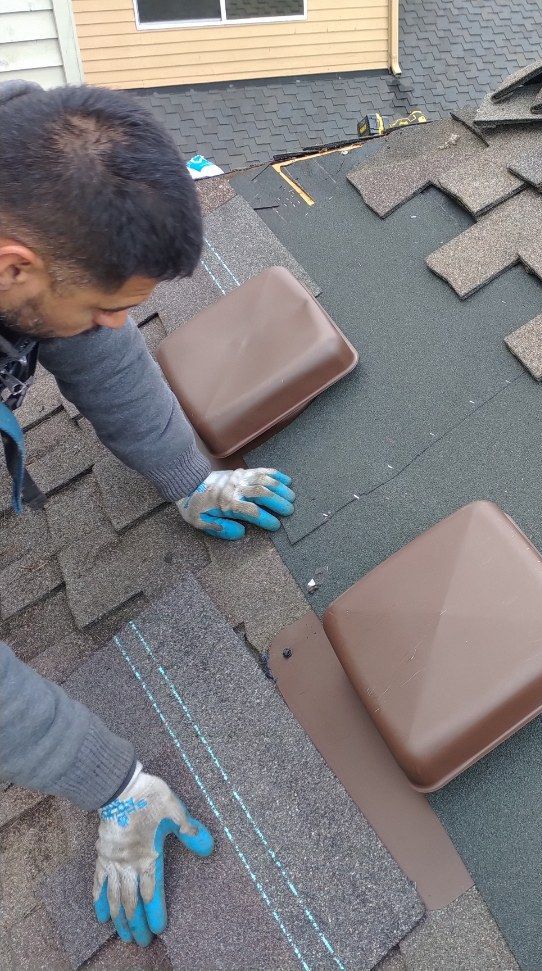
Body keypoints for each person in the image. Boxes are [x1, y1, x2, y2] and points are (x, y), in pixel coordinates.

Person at [0, 81, 297, 948]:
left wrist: (188, 477)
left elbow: (100, 351)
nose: (118, 324)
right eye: (105, 304)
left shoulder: (28, 170)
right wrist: (116, 781)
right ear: (12, 264)